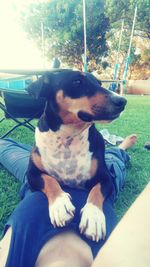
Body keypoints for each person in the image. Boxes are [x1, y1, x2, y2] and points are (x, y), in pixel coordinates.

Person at [0, 134, 137, 267]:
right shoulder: (113, 260)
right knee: (111, 160)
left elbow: (33, 174)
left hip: (42, 177)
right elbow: (106, 181)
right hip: (97, 183)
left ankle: (40, 153)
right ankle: (121, 148)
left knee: (4, 146)